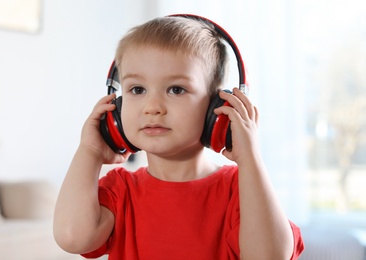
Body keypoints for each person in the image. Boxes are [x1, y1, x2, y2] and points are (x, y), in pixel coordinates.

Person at [53, 15, 304, 259]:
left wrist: (250, 158)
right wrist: (89, 151)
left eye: (176, 89)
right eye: (137, 89)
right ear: (115, 109)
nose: (152, 106)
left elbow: (270, 255)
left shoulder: (240, 190)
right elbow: (72, 237)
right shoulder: (120, 190)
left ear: (217, 107)